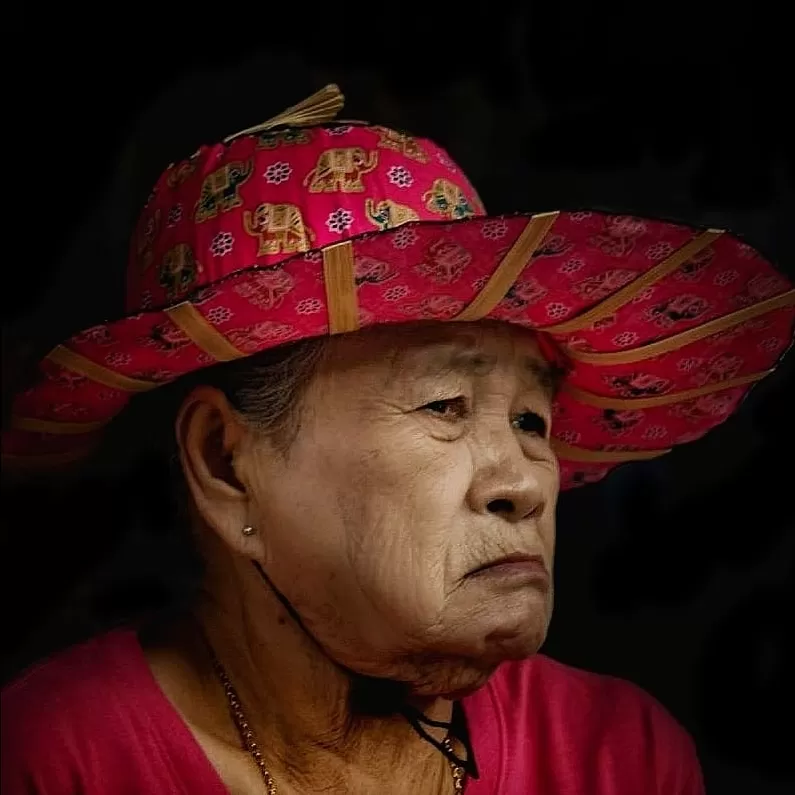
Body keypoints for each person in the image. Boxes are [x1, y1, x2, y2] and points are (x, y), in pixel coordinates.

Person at [2, 84, 793, 795]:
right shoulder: (63, 754)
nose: (524, 483)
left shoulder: (619, 756)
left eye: (529, 420)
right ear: (225, 463)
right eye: (445, 405)